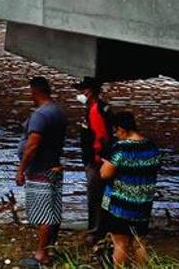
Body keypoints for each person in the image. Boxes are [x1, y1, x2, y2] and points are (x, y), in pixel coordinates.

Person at [16, 76, 68, 265]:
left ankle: (41, 254)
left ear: (34, 91)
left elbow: (32, 145)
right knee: (53, 209)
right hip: (54, 165)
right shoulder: (59, 111)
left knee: (43, 212)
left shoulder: (40, 115)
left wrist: (21, 170)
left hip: (40, 168)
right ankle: (50, 247)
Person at [101, 111, 163, 267]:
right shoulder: (151, 146)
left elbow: (105, 173)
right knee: (139, 241)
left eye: (116, 130)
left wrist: (105, 161)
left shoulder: (120, 148)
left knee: (120, 243)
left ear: (122, 129)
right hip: (144, 203)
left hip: (121, 204)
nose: (115, 134)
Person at [76, 77, 113, 245]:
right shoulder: (102, 107)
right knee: (103, 196)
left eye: (82, 90)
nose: (80, 94)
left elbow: (101, 137)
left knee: (95, 196)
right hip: (102, 160)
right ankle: (103, 228)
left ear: (89, 92)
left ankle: (95, 232)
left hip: (96, 161)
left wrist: (98, 160)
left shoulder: (95, 110)